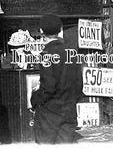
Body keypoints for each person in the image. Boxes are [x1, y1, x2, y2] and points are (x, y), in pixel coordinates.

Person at [30, 14, 83, 144]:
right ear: (60, 29)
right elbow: (79, 83)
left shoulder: (46, 55)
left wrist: (35, 100)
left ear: (41, 31)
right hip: (69, 111)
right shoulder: (72, 52)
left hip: (50, 114)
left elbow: (48, 87)